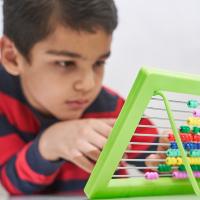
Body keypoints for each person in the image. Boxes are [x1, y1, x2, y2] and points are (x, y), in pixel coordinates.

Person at [0, 0, 160, 196]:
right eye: (65, 63)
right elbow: (12, 183)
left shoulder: (112, 109)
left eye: (98, 63)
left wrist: (169, 161)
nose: (89, 84)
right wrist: (49, 143)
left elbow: (158, 160)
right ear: (12, 56)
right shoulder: (3, 103)